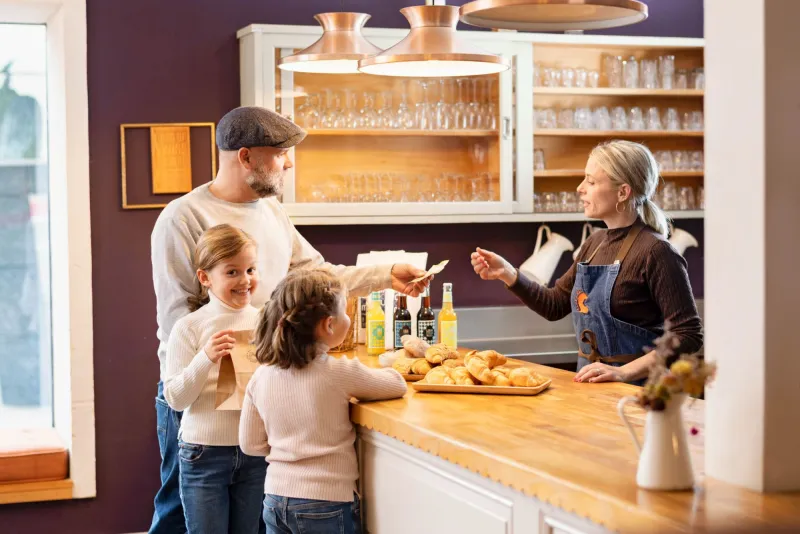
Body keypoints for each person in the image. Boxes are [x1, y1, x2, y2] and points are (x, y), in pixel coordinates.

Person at [149, 106, 428, 533]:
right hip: (199, 394)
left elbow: (316, 275)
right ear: (245, 157)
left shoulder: (272, 212)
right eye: (280, 152)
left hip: (261, 383)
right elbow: (179, 321)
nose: (289, 162)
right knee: (176, 515)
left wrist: (386, 274)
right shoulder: (182, 217)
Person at [471, 140, 702, 385]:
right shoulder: (595, 243)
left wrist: (624, 372)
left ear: (623, 192)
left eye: (591, 182)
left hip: (637, 392)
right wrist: (507, 273)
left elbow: (687, 335)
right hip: (590, 384)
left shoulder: (656, 251)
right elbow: (554, 305)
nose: (580, 188)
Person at [239, 269, 408, 534]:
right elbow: (396, 384)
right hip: (325, 504)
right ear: (329, 325)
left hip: (274, 499)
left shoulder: (260, 376)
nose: (349, 319)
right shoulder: (339, 373)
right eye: (345, 312)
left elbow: (250, 444)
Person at [163, 224, 265, 533]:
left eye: (250, 269)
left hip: (254, 453)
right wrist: (205, 358)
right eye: (232, 272)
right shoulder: (190, 328)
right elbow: (176, 399)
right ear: (205, 278)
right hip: (203, 454)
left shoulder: (265, 321)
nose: (245, 280)